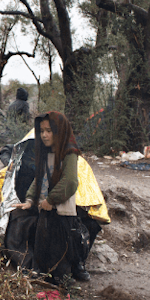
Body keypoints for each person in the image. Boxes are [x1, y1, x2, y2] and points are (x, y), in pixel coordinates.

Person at [13, 111, 90, 284]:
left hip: (62, 214)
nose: (44, 135)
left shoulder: (69, 153)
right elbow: (39, 178)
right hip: (46, 210)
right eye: (41, 131)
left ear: (59, 131)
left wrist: (51, 200)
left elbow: (70, 182)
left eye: (49, 131)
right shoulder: (46, 153)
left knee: (59, 259)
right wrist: (30, 200)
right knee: (42, 254)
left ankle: (66, 275)